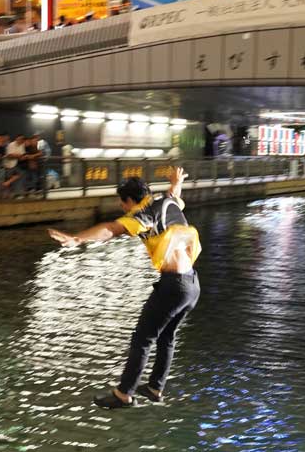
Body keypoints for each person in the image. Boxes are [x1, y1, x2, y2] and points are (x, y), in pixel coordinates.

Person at [48, 168, 201, 409]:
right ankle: (154, 388)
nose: (122, 208)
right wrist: (176, 181)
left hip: (173, 285)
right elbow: (174, 193)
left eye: (123, 203)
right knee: (166, 337)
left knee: (142, 338)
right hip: (192, 284)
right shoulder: (167, 201)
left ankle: (124, 394)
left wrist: (78, 239)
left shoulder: (142, 215)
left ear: (130, 201)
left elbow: (111, 229)